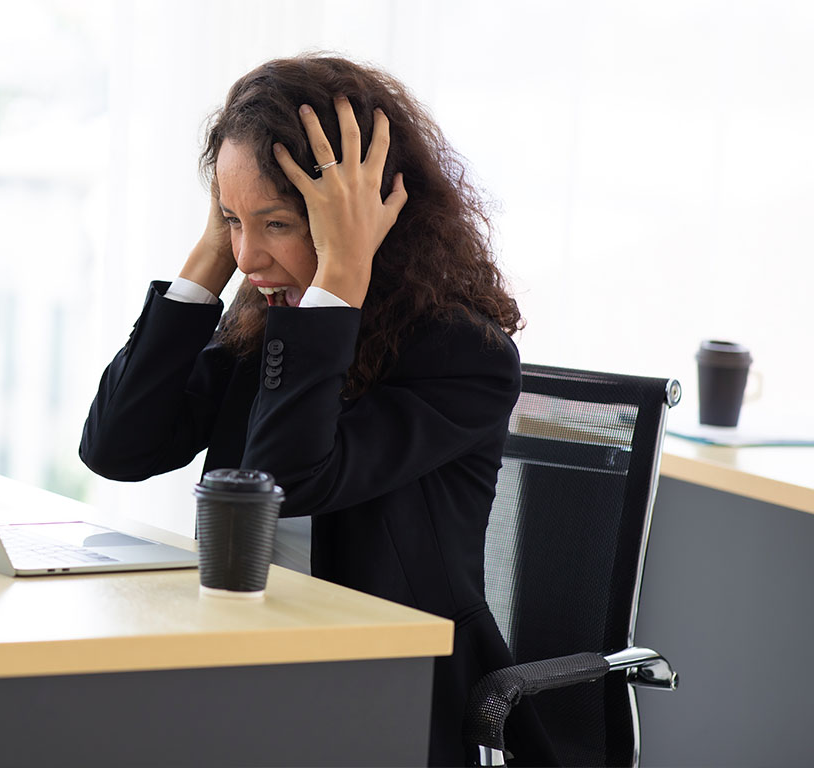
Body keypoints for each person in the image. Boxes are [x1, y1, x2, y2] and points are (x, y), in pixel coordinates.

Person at [80, 54, 555, 766]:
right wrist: (211, 256)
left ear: (365, 221)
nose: (249, 255)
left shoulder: (463, 357)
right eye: (233, 221)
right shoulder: (267, 325)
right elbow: (118, 447)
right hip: (254, 665)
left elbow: (289, 476)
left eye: (275, 224)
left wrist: (340, 279)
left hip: (386, 693)